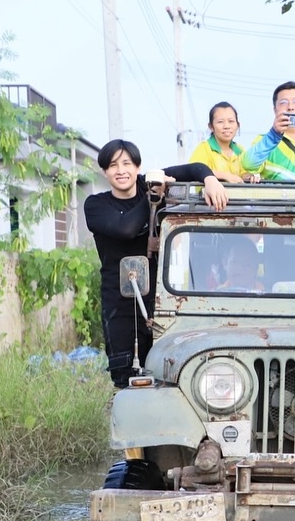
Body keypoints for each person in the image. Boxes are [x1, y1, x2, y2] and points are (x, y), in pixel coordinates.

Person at [85, 138, 228, 388]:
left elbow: (193, 167)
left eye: (127, 163)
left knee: (167, 372)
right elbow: (126, 229)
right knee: (127, 376)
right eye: (113, 165)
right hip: (120, 301)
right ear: (104, 171)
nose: (121, 171)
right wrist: (154, 195)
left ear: (138, 167)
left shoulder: (150, 183)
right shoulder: (96, 205)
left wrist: (210, 180)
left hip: (163, 298)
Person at [187, 101, 258, 183]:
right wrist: (226, 176)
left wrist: (250, 177)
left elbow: (244, 173)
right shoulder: (204, 147)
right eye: (220, 122)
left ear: (238, 125)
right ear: (211, 127)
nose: (226, 126)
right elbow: (195, 171)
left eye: (231, 121)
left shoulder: (240, 150)